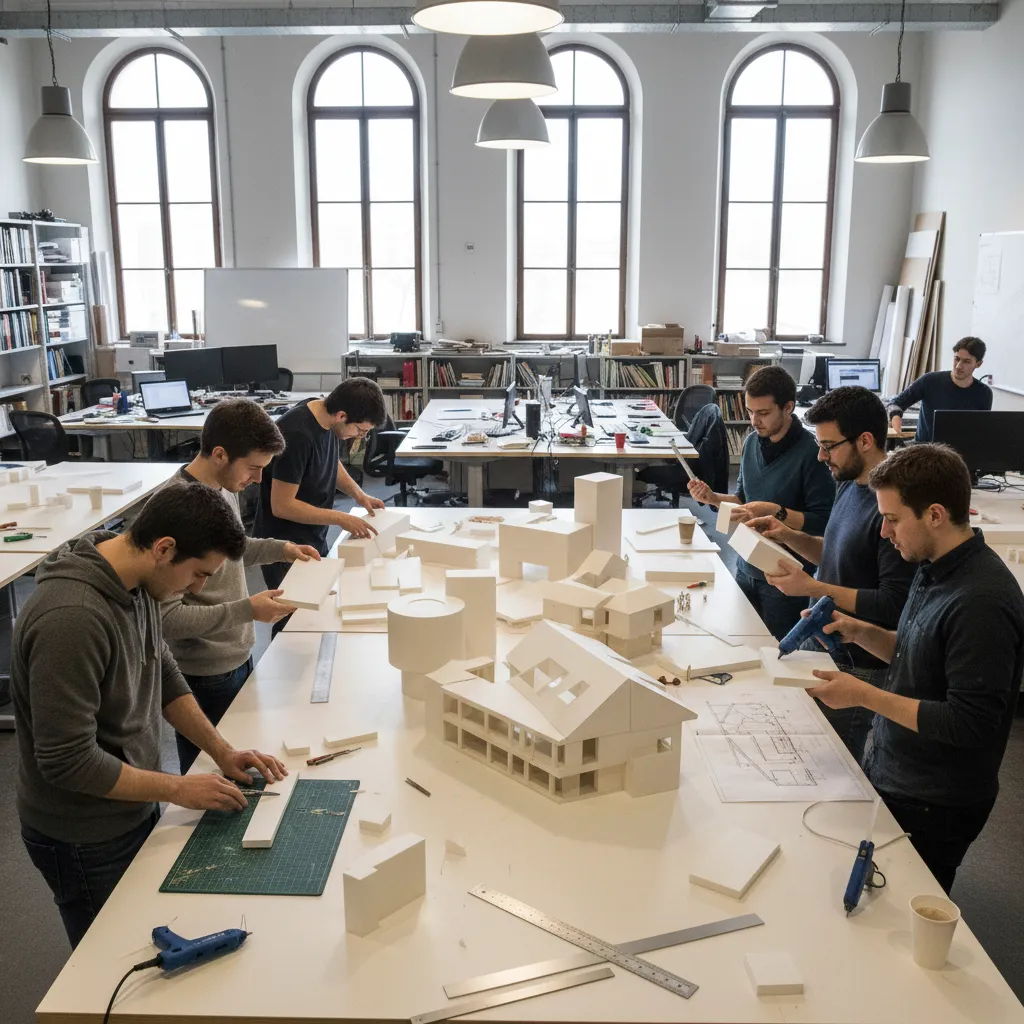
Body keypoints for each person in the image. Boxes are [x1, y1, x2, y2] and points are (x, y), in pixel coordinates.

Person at [12, 484, 287, 948]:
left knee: (142, 938)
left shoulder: (135, 583)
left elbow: (162, 671)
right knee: (109, 961)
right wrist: (179, 787)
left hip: (126, 802)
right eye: (199, 574)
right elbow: (67, 761)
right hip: (82, 830)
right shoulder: (72, 619)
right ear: (164, 549)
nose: (199, 588)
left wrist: (221, 750)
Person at [807, 444, 1024, 893]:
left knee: (907, 912)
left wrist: (864, 694)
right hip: (898, 771)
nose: (884, 532)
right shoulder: (931, 565)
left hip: (936, 801)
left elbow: (969, 723)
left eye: (892, 518)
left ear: (936, 515)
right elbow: (916, 654)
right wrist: (861, 632)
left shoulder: (982, 602)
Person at [745, 387, 916, 761]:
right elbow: (834, 551)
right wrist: (789, 536)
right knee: (794, 740)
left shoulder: (893, 511)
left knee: (829, 762)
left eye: (829, 446)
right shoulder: (848, 482)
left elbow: (893, 603)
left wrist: (813, 586)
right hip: (819, 636)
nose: (821, 456)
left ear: (866, 441)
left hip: (859, 660)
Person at [163, 399, 323, 773]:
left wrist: (280, 549)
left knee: (241, 758)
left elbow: (231, 551)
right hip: (203, 669)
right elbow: (167, 619)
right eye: (253, 468)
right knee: (210, 771)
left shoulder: (223, 489)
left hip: (236, 651)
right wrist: (247, 610)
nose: (259, 479)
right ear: (220, 455)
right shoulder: (176, 511)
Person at [687, 365, 835, 640]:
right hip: (746, 563)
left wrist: (775, 512)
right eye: (750, 411)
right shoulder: (751, 442)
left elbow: (823, 523)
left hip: (784, 575)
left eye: (763, 413)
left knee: (776, 651)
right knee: (741, 641)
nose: (754, 420)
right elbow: (743, 500)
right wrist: (713, 498)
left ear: (788, 407)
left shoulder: (814, 454)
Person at [254, 378, 388, 610]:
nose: (360, 436)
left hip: (311, 535)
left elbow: (330, 461)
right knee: (293, 619)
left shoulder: (324, 415)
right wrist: (340, 518)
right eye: (360, 430)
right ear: (342, 416)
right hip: (284, 545)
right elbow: (282, 505)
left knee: (317, 609)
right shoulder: (297, 436)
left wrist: (359, 495)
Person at [888, 337, 992, 442]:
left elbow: (980, 431)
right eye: (957, 359)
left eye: (966, 362)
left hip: (959, 453)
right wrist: (897, 424)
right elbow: (895, 404)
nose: (959, 366)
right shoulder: (930, 380)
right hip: (925, 450)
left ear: (978, 364)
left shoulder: (984, 393)